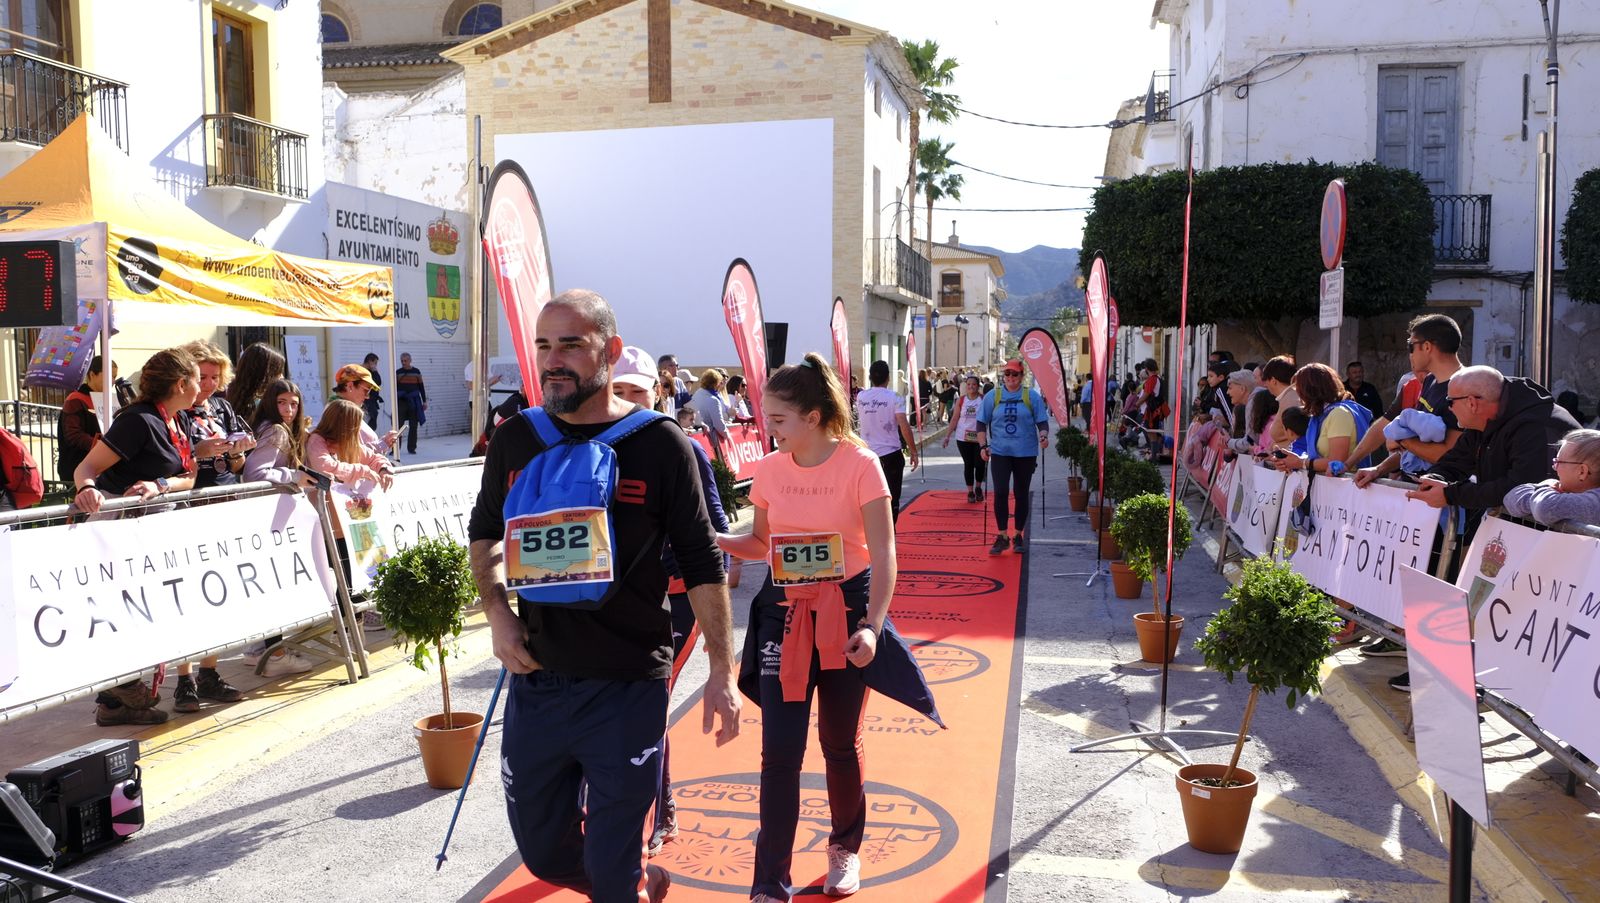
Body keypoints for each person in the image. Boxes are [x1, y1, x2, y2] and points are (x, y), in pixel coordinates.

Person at [467, 289, 739, 902]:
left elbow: (701, 561)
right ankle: (636, 883)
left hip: (627, 686)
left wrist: (721, 669)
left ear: (610, 351)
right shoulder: (516, 438)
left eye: (571, 344)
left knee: (611, 866)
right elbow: (485, 530)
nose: (553, 359)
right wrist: (497, 615)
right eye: (543, 345)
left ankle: (624, 882)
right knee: (542, 853)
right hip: (538, 679)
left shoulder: (661, 443)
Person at [716, 352, 933, 902]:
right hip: (783, 615)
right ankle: (769, 879)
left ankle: (844, 849)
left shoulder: (861, 465)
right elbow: (761, 544)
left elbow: (885, 555)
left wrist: (874, 627)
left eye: (779, 420)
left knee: (839, 741)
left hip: (847, 613)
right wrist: (710, 539)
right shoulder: (768, 468)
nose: (769, 429)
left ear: (813, 417)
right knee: (780, 751)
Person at [609, 347, 733, 857]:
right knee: (620, 704)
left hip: (678, 598)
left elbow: (716, 519)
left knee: (649, 702)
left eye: (636, 391)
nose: (627, 400)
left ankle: (662, 814)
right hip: (621, 600)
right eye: (618, 391)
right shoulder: (596, 445)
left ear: (658, 392)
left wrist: (721, 572)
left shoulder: (679, 445)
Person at [73, 348, 211, 725]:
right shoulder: (138, 421)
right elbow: (88, 466)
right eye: (198, 378)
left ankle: (117, 704)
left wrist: (160, 484)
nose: (202, 387)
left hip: (154, 533)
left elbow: (190, 475)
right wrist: (87, 488)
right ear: (181, 383)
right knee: (126, 612)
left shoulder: (176, 420)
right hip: (120, 535)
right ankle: (120, 696)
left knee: (149, 611)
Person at [240, 378, 320, 675]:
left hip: (273, 514)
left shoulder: (276, 428)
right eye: (282, 402)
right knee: (276, 580)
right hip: (270, 515)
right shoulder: (275, 430)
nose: (288, 409)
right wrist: (293, 475)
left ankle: (262, 648)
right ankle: (274, 653)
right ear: (271, 403)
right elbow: (256, 473)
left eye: (294, 403)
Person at [1350, 314, 1465, 485]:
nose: (1409, 354)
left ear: (1427, 347)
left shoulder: (1465, 387)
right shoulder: (1430, 381)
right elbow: (1415, 444)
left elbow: (1448, 454)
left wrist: (1400, 440)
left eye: (1411, 346)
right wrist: (1378, 469)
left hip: (1443, 499)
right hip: (1416, 492)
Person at [978, 359, 1049, 554]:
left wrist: (1043, 436)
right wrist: (983, 446)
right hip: (1000, 452)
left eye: (1015, 374)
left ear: (1022, 376)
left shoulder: (1031, 396)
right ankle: (1002, 536)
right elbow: (981, 423)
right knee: (1000, 491)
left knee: (1020, 493)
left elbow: (1042, 422)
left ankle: (1018, 534)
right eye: (1007, 374)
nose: (1010, 378)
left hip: (1025, 452)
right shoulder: (993, 396)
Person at [1269, 364, 1371, 476]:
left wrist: (1300, 463)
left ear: (1310, 390)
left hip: (1343, 489)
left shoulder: (1339, 414)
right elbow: (1316, 457)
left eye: (1298, 390)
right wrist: (1291, 462)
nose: (1298, 396)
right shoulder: (1321, 416)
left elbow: (1336, 464)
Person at [178, 340, 253, 492]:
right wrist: (196, 452)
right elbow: (163, 461)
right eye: (202, 377)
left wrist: (236, 452)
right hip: (190, 496)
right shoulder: (177, 408)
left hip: (227, 492)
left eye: (215, 377)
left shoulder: (223, 406)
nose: (209, 384)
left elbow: (237, 467)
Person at [854, 360, 917, 519]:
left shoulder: (861, 397)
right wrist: (913, 451)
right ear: (888, 378)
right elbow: (903, 425)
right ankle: (890, 532)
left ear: (869, 377)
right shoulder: (894, 397)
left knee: (868, 498)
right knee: (892, 497)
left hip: (867, 455)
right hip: (891, 454)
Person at [1503, 429, 1600, 527]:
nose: (1554, 467)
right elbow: (1510, 499)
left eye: (1558, 462)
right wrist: (1546, 489)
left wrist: (1544, 488)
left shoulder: (1596, 502)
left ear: (1582, 471)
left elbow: (1544, 509)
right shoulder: (1562, 490)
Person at [58, 355, 113, 484]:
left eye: (114, 377)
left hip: (103, 466)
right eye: (109, 375)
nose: (112, 381)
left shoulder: (109, 400)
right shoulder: (75, 400)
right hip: (78, 466)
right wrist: (101, 446)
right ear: (92, 375)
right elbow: (73, 435)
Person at [333, 364, 400, 457]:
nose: (368, 396)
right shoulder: (340, 414)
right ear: (350, 386)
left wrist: (383, 443)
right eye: (366, 391)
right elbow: (350, 455)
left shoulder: (343, 411)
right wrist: (382, 444)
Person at [943, 374, 987, 502]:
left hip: (980, 437)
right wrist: (947, 436)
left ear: (978, 386)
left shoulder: (983, 399)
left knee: (980, 464)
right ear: (965, 386)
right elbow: (955, 418)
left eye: (973, 384)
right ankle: (970, 492)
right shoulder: (961, 400)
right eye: (968, 385)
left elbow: (990, 417)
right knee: (968, 464)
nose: (971, 387)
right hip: (963, 437)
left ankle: (978, 487)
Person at [225, 342, 286, 418]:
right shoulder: (263, 407)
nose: (281, 377)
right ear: (265, 373)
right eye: (278, 372)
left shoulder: (232, 394)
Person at [394, 353, 426, 456]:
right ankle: (395, 449)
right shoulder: (398, 372)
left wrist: (424, 401)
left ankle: (412, 448)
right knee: (398, 426)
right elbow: (395, 388)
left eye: (405, 360)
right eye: (402, 361)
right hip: (401, 401)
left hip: (414, 401)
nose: (403, 362)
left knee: (413, 425)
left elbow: (421, 387)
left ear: (410, 360)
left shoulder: (416, 372)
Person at [690, 368, 731, 447]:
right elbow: (718, 424)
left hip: (698, 439)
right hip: (710, 441)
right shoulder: (713, 400)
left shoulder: (696, 394)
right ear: (716, 383)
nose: (721, 385)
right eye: (720, 382)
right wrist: (728, 436)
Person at [361, 353, 384, 430]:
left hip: (372, 402)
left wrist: (374, 371)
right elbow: (375, 382)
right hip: (365, 403)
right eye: (375, 363)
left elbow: (379, 382)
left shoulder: (371, 371)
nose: (376, 365)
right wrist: (374, 370)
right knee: (366, 427)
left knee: (372, 426)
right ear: (370, 361)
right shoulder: (362, 372)